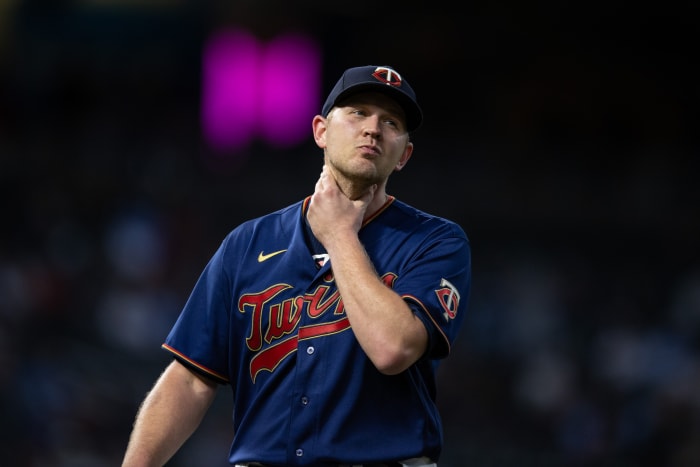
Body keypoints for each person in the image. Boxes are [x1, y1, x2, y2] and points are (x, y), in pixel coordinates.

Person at [121, 65, 472, 467]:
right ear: (321, 130)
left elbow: (392, 348)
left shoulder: (434, 240)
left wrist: (339, 233)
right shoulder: (248, 243)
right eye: (358, 112)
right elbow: (190, 378)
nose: (373, 129)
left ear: (404, 155)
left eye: (391, 122)